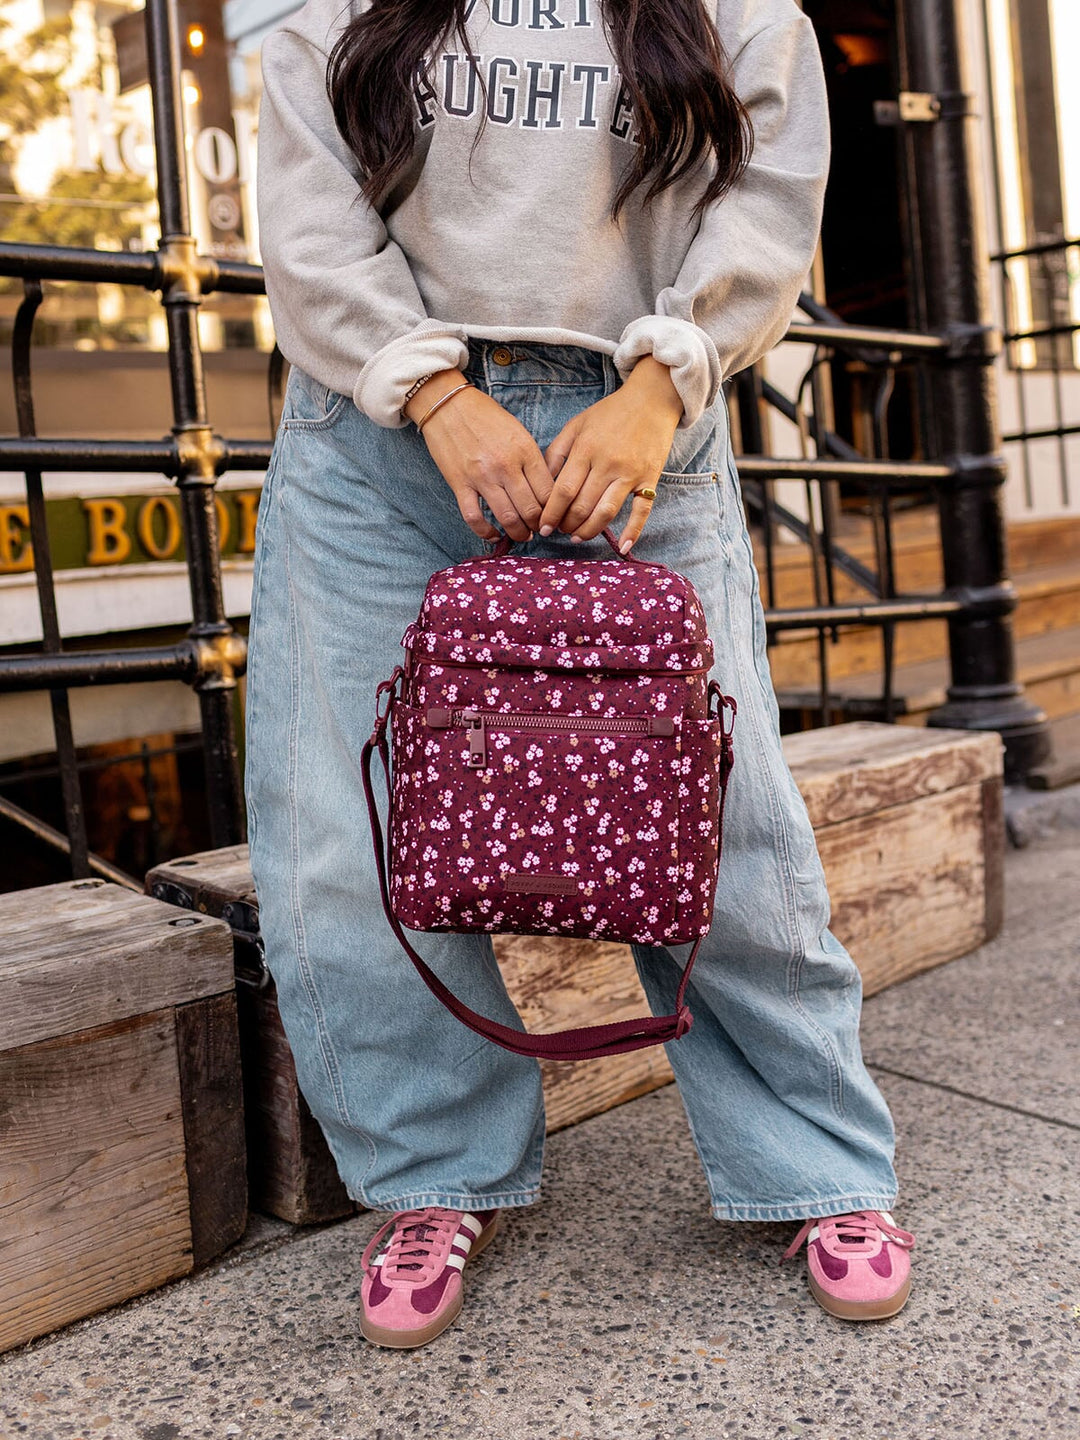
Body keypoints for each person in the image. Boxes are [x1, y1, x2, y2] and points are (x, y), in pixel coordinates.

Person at [247, 0, 915, 1349]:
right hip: (383, 431)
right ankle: (435, 1173)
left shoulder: (740, 9)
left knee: (724, 822)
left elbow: (767, 202)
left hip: (639, 414)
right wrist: (434, 395)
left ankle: (821, 1165)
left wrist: (667, 388)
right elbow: (308, 210)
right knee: (354, 830)